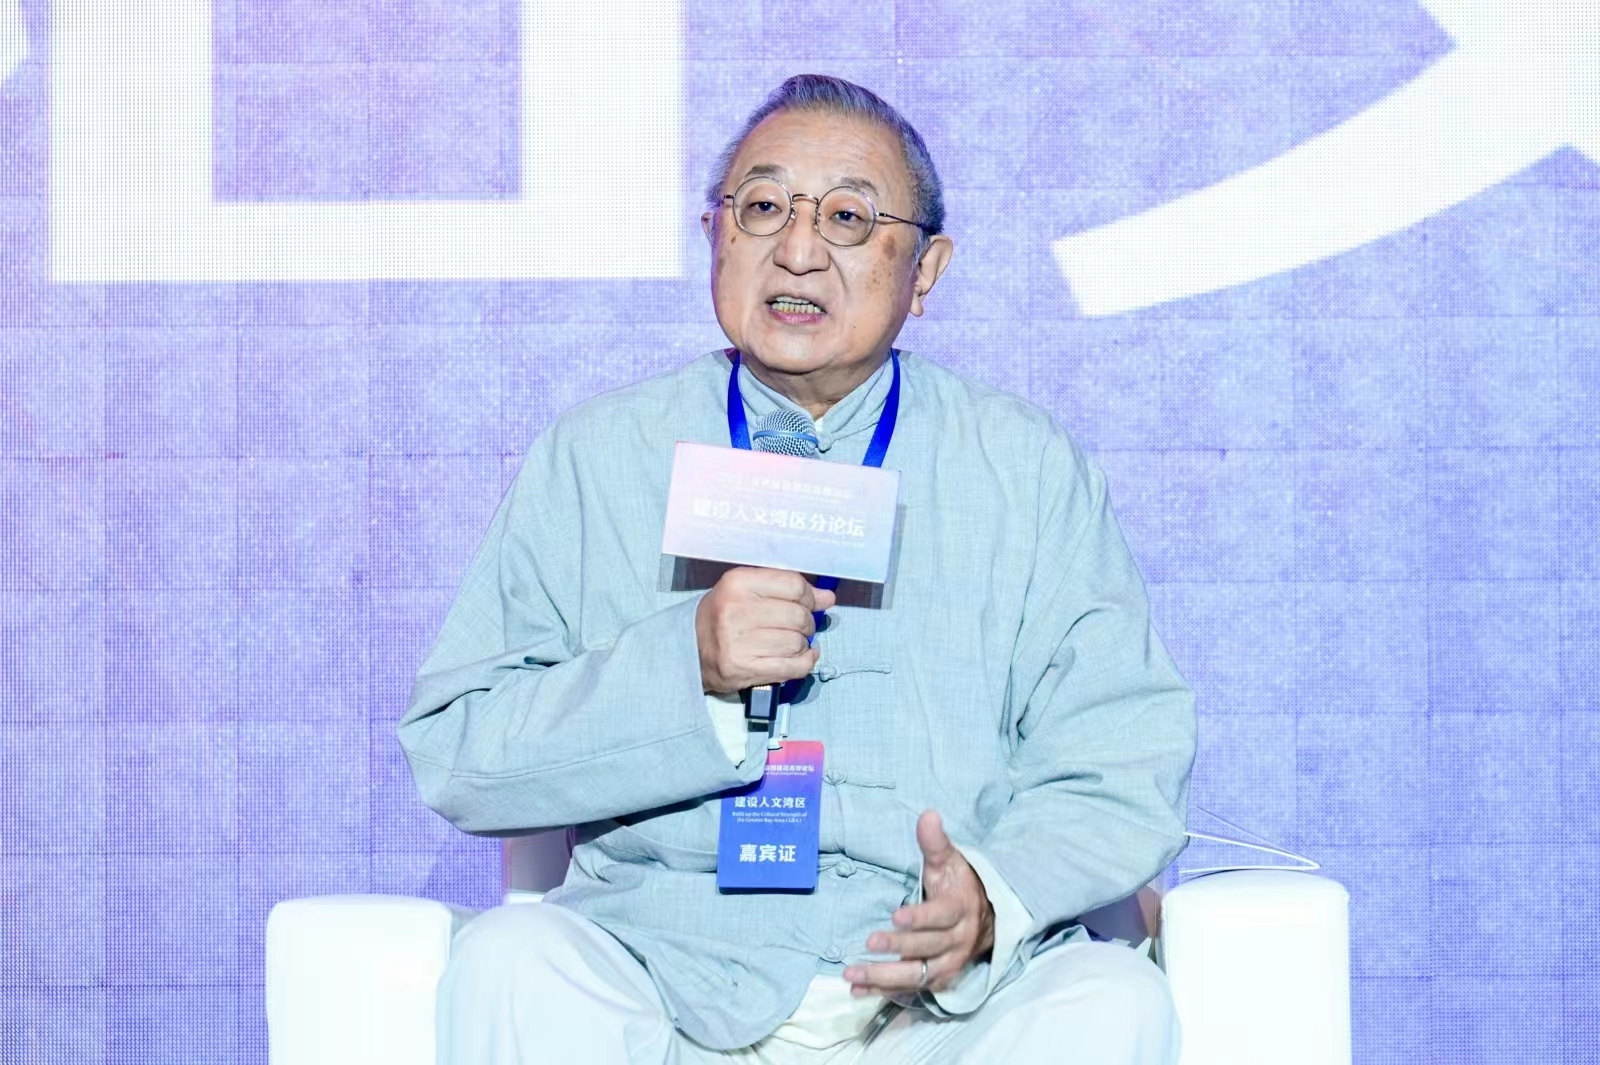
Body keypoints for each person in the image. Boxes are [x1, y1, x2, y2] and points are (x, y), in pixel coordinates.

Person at [399, 74, 1196, 1064]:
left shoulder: (1026, 467)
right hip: (664, 976)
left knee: (1111, 1001)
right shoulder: (596, 457)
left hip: (937, 1002)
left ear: (926, 269)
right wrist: (685, 664)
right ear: (714, 235)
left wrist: (992, 899)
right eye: (765, 207)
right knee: (511, 963)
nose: (799, 250)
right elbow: (456, 751)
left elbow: (1125, 753)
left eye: (848, 218)